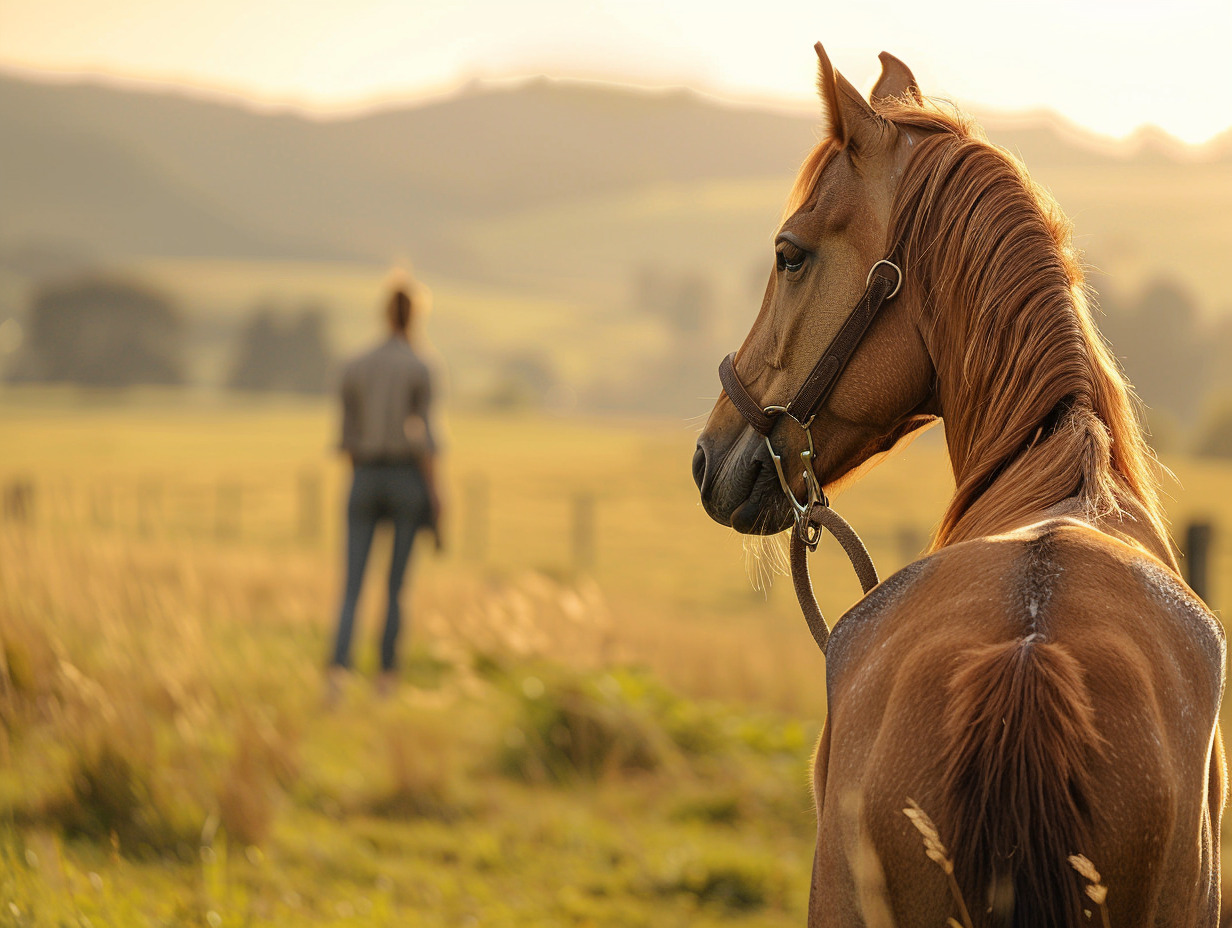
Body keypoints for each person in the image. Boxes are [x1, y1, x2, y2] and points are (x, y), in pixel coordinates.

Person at [328, 282, 443, 699]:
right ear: (415, 316)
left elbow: (344, 437)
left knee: (352, 584)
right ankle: (386, 679)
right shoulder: (420, 366)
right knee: (396, 587)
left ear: (384, 313)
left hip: (363, 475)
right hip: (406, 478)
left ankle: (337, 675)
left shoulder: (356, 365)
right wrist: (436, 494)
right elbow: (427, 437)